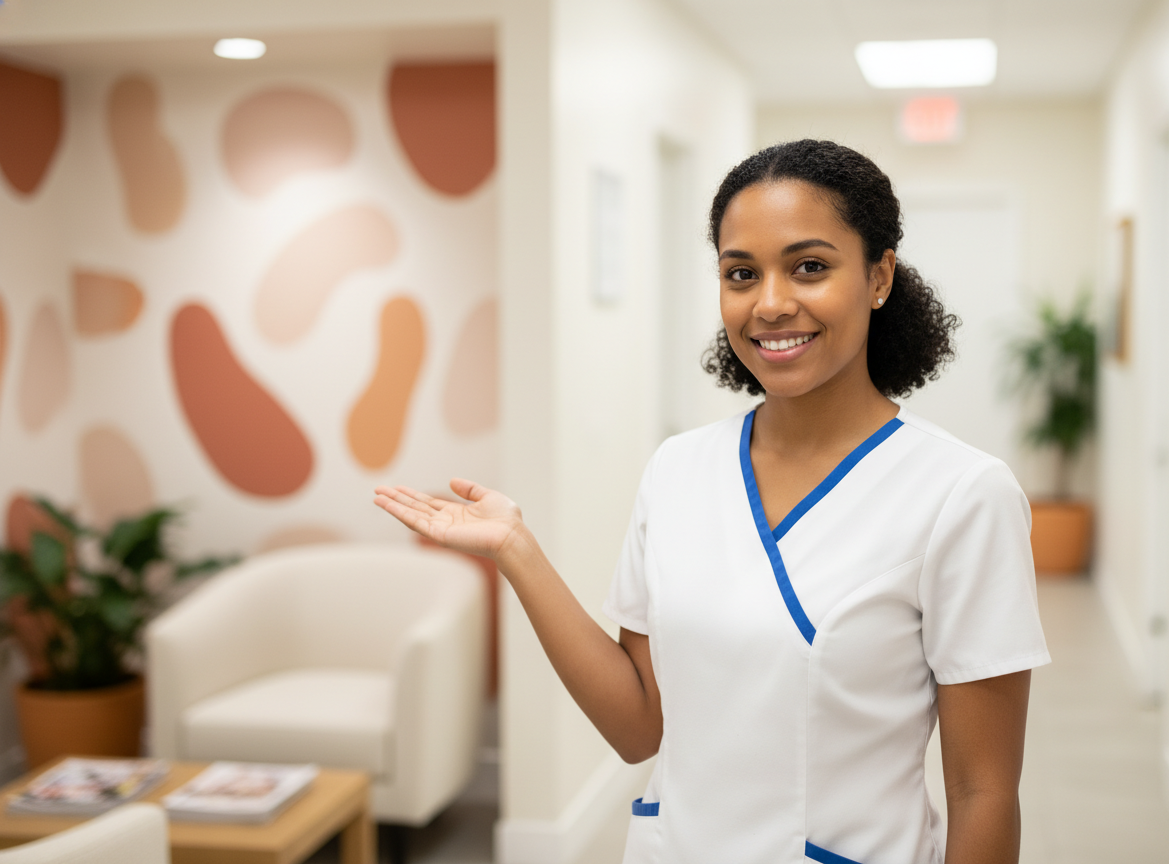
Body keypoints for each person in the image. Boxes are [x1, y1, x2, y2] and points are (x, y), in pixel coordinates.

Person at [374, 139, 1049, 864]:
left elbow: (983, 791)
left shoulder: (962, 494)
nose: (771, 304)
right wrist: (518, 552)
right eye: (741, 273)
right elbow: (638, 727)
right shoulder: (678, 468)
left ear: (878, 275)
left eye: (810, 267)